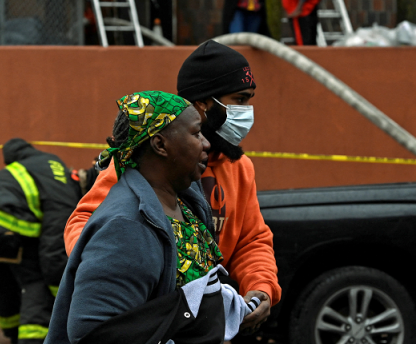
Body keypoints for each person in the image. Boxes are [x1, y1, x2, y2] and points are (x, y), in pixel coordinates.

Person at [63, 40, 279, 335]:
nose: (247, 110)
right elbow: (88, 226)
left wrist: (260, 288)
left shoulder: (238, 167)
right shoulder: (140, 167)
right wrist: (126, 274)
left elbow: (252, 240)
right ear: (203, 103)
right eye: (239, 99)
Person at [46, 91, 256, 344]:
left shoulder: (185, 203)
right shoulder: (125, 228)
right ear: (160, 145)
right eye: (195, 133)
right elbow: (92, 332)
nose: (206, 143)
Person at [0, 138, 82, 344]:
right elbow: (53, 253)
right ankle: (33, 339)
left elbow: (12, 148)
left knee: (2, 277)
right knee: (36, 280)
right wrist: (63, 291)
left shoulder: (42, 162)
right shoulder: (64, 192)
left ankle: (11, 333)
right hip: (5, 224)